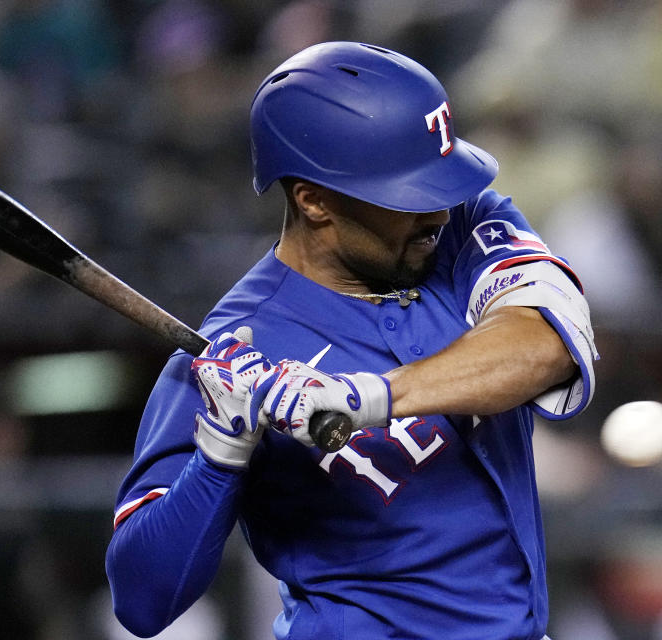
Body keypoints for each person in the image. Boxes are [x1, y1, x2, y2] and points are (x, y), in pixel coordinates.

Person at [105, 41, 597, 640]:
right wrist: (219, 455)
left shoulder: (465, 230)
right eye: (406, 195)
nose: (436, 213)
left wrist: (360, 399)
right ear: (314, 201)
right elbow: (140, 600)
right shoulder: (226, 354)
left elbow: (542, 345)